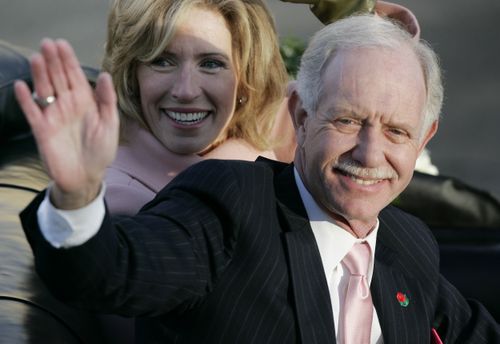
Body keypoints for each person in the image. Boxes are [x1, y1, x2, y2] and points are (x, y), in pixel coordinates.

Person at [15, 14, 500, 343]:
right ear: (300, 114)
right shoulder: (230, 204)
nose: (370, 153)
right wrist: (76, 195)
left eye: (396, 131)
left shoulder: (408, 242)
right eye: (347, 121)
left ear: (424, 138)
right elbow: (110, 272)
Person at [100, 0, 292, 215]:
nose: (186, 91)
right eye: (162, 62)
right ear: (131, 76)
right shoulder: (115, 204)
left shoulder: (299, 122)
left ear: (247, 77)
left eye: (210, 64)